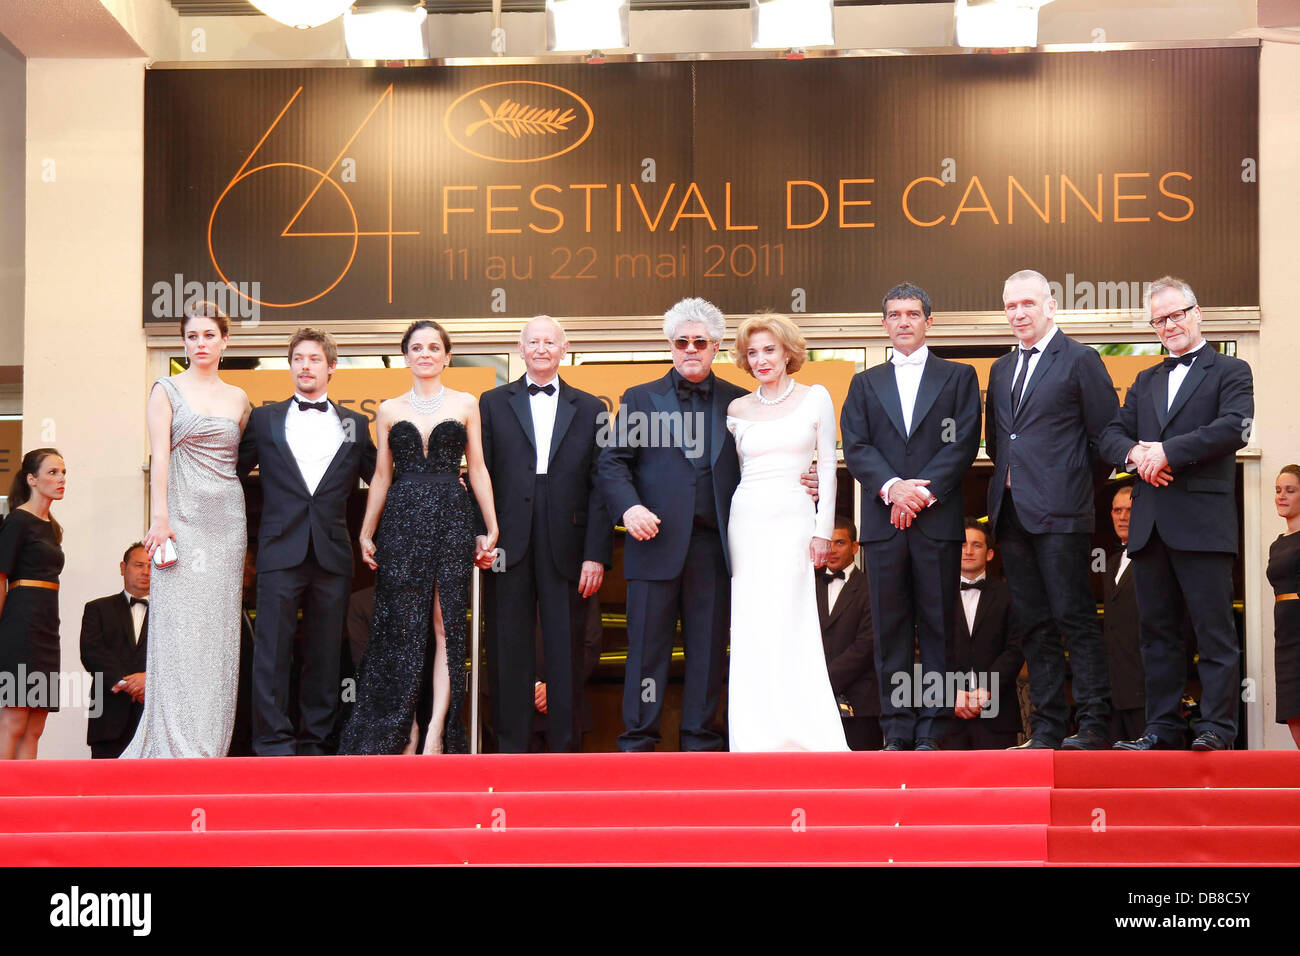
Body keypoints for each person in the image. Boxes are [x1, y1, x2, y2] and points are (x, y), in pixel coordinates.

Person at [598, 298, 816, 751]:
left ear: (716, 346)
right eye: (682, 342)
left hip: (716, 547)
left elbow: (764, 460)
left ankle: (701, 740)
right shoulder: (640, 398)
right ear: (671, 346)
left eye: (700, 341)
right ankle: (638, 742)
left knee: (709, 653)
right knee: (646, 653)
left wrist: (802, 478)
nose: (690, 349)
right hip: (653, 543)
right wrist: (630, 508)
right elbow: (612, 464)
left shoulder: (740, 402)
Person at [1101, 276, 1253, 751]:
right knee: (1157, 636)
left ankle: (1216, 728)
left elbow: (1235, 428)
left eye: (1176, 315)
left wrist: (1166, 451)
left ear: (1197, 311)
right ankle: (1161, 728)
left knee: (1214, 633)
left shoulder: (1232, 369)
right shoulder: (1144, 380)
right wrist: (1136, 457)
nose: (1168, 325)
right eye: (1159, 320)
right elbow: (1110, 435)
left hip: (1203, 526)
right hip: (1150, 529)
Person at [340, 321, 498, 755]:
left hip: (451, 515)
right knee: (402, 628)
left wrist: (490, 524)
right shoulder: (389, 410)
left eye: (434, 347)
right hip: (403, 520)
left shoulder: (467, 403)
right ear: (406, 356)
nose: (425, 354)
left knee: (447, 626)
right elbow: (382, 476)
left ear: (447, 356)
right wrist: (367, 530)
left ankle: (435, 732)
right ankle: (404, 730)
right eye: (416, 347)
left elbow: (479, 469)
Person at [840, 282, 981, 751]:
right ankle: (897, 731)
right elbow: (856, 446)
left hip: (936, 522)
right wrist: (892, 489)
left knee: (939, 626)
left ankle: (933, 731)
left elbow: (961, 443)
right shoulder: (863, 383)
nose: (904, 321)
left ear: (928, 321)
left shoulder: (959, 376)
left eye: (913, 314)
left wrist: (919, 495)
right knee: (890, 629)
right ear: (884, 324)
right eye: (895, 314)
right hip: (883, 525)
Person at [986, 269, 1118, 751]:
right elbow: (999, 441)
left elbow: (1105, 438)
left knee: (1074, 618)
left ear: (1051, 305)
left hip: (1062, 513)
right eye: (1010, 306)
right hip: (1012, 514)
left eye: (1027, 303)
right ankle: (1045, 728)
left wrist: (1070, 484)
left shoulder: (1082, 360)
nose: (1018, 313)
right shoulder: (1000, 369)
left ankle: (1094, 724)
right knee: (1033, 624)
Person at [238, 328, 377, 756]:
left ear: (331, 367)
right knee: (272, 650)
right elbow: (231, 476)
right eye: (297, 358)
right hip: (280, 550)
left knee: (323, 654)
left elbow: (380, 478)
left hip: (333, 552)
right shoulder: (264, 419)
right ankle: (272, 741)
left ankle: (316, 741)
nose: (305, 366)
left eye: (314, 359)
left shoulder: (355, 425)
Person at [479, 315, 612, 753]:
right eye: (533, 342)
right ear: (520, 350)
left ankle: (565, 752)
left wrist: (596, 553)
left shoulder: (591, 407)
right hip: (506, 540)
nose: (541, 348)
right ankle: (509, 751)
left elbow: (600, 485)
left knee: (567, 648)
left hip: (568, 542)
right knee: (506, 646)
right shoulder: (492, 402)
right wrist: (481, 536)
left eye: (549, 342)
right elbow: (481, 474)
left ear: (564, 348)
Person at [124, 302, 249, 759]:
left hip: (226, 524)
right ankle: (173, 740)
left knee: (216, 632)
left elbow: (235, 464)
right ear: (183, 343)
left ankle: (208, 743)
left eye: (209, 336)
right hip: (179, 523)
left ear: (224, 342)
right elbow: (160, 456)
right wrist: (160, 517)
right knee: (179, 629)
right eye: (193, 336)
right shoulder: (165, 389)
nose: (201, 344)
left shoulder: (240, 399)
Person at [725, 312, 845, 752]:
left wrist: (822, 529)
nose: (760, 359)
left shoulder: (816, 397)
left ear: (788, 352)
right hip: (748, 522)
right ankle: (755, 735)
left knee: (794, 620)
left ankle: (805, 730)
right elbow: (733, 474)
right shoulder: (736, 409)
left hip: (795, 520)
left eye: (769, 350)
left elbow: (829, 467)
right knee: (753, 624)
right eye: (752, 352)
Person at [0, 449, 67, 759]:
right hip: (19, 627)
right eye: (52, 472)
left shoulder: (53, 527)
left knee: (36, 725)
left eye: (63, 472)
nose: (61, 479)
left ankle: (23, 801)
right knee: (13, 718)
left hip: (46, 629)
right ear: (32, 479)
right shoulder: (17, 521)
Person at [944, 519, 1023, 750]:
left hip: (997, 711)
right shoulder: (935, 596)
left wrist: (988, 687)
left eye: (976, 545)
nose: (968, 551)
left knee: (998, 784)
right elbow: (926, 649)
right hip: (948, 714)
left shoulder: (1009, 595)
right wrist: (951, 694)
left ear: (989, 554)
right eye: (962, 545)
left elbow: (1017, 646)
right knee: (950, 785)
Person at [816, 518, 882, 752]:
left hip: (860, 703)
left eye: (840, 542)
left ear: (855, 547)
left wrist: (824, 680)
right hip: (813, 703)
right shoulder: (808, 586)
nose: (832, 550)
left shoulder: (872, 587)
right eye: (829, 543)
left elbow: (867, 644)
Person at [79, 542, 150, 759]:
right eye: (139, 565)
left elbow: (178, 657)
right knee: (105, 787)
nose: (146, 572)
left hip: (154, 719)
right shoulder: (97, 609)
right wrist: (128, 683)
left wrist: (150, 678)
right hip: (108, 718)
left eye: (151, 566)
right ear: (123, 567)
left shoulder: (172, 614)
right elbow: (91, 653)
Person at [1102, 485, 1147, 743]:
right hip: (1114, 693)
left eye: (1130, 510)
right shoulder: (1110, 564)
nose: (1122, 517)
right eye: (1117, 510)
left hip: (1147, 692)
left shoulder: (1156, 559)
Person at [1270, 464, 1300, 748]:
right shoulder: (1276, 545)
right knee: (1292, 711)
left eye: (1290, 491)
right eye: (1278, 491)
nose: (1282, 496)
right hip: (1285, 633)